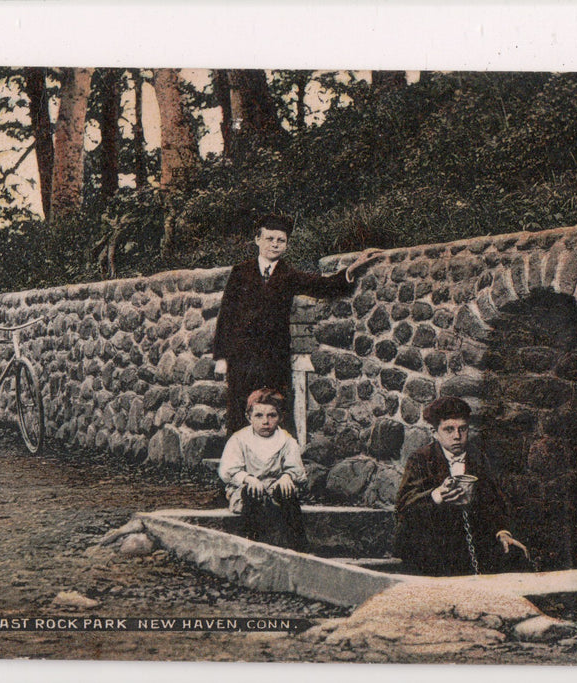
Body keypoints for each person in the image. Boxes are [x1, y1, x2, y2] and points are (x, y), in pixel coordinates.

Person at [213, 213, 381, 433]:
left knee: (275, 412)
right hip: (241, 359)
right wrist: (222, 357)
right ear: (258, 240)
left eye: (280, 241)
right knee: (240, 411)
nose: (275, 244)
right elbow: (226, 314)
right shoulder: (240, 272)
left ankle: (277, 463)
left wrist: (353, 268)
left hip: (274, 358)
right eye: (270, 239)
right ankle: (237, 464)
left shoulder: (288, 274)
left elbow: (323, 285)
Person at [394, 396, 529, 576]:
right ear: (435, 432)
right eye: (449, 429)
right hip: (434, 546)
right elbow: (403, 507)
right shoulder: (421, 459)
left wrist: (502, 532)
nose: (457, 436)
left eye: (462, 429)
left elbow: (495, 502)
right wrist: (436, 495)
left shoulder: (478, 458)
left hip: (474, 545)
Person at [218, 388, 309, 551]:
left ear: (280, 417)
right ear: (249, 417)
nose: (265, 422)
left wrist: (287, 476)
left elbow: (296, 469)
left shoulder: (286, 441)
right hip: (249, 491)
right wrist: (248, 478)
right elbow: (229, 470)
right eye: (259, 416)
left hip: (275, 490)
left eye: (272, 415)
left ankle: (297, 547)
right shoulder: (239, 440)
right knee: (251, 493)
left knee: (288, 492)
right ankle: (251, 544)